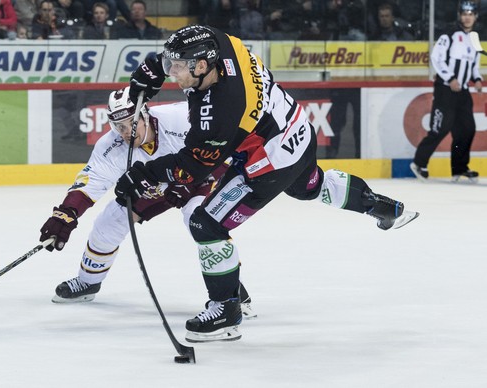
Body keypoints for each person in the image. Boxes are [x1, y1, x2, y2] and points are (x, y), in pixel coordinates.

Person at [115, 25, 420, 343]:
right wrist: (149, 74)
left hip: (269, 162)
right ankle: (381, 206)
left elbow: (192, 165)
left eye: (177, 68)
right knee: (310, 186)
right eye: (171, 66)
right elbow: (183, 45)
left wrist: (141, 176)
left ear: (202, 66)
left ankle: (227, 309)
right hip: (297, 130)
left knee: (206, 225)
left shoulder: (219, 111)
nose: (173, 74)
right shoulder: (220, 42)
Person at [38, 86, 256, 318]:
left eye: (129, 124)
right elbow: (92, 181)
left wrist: (191, 181)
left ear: (145, 115)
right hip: (159, 183)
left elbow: (226, 148)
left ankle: (232, 294)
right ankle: (88, 282)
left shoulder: (182, 118)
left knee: (201, 223)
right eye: (118, 126)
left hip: (204, 177)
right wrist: (66, 212)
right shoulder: (111, 145)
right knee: (110, 221)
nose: (124, 132)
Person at [410, 1, 481, 182]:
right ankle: (419, 163)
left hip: (463, 92)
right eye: (464, 13)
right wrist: (450, 78)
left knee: (467, 129)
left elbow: (474, 66)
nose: (467, 17)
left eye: (471, 14)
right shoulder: (449, 34)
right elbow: (436, 58)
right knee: (440, 128)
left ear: (476, 17)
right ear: (460, 15)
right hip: (445, 89)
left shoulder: (474, 38)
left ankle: (459, 168)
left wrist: (478, 80)